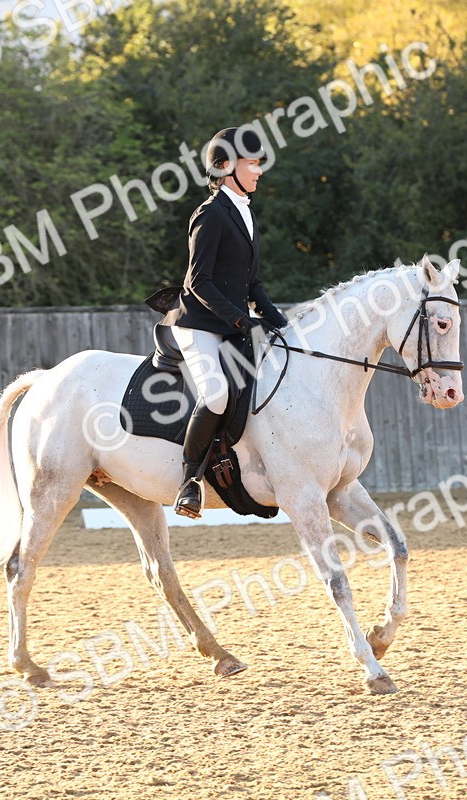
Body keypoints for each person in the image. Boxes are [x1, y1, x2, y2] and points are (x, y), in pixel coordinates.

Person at [163, 125, 289, 518]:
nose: (259, 170)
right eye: (252, 163)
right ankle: (189, 482)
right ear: (227, 166)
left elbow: (253, 284)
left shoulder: (246, 213)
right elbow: (198, 281)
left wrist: (281, 323)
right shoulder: (211, 214)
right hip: (199, 324)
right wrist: (241, 321)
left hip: (231, 323)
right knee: (216, 394)